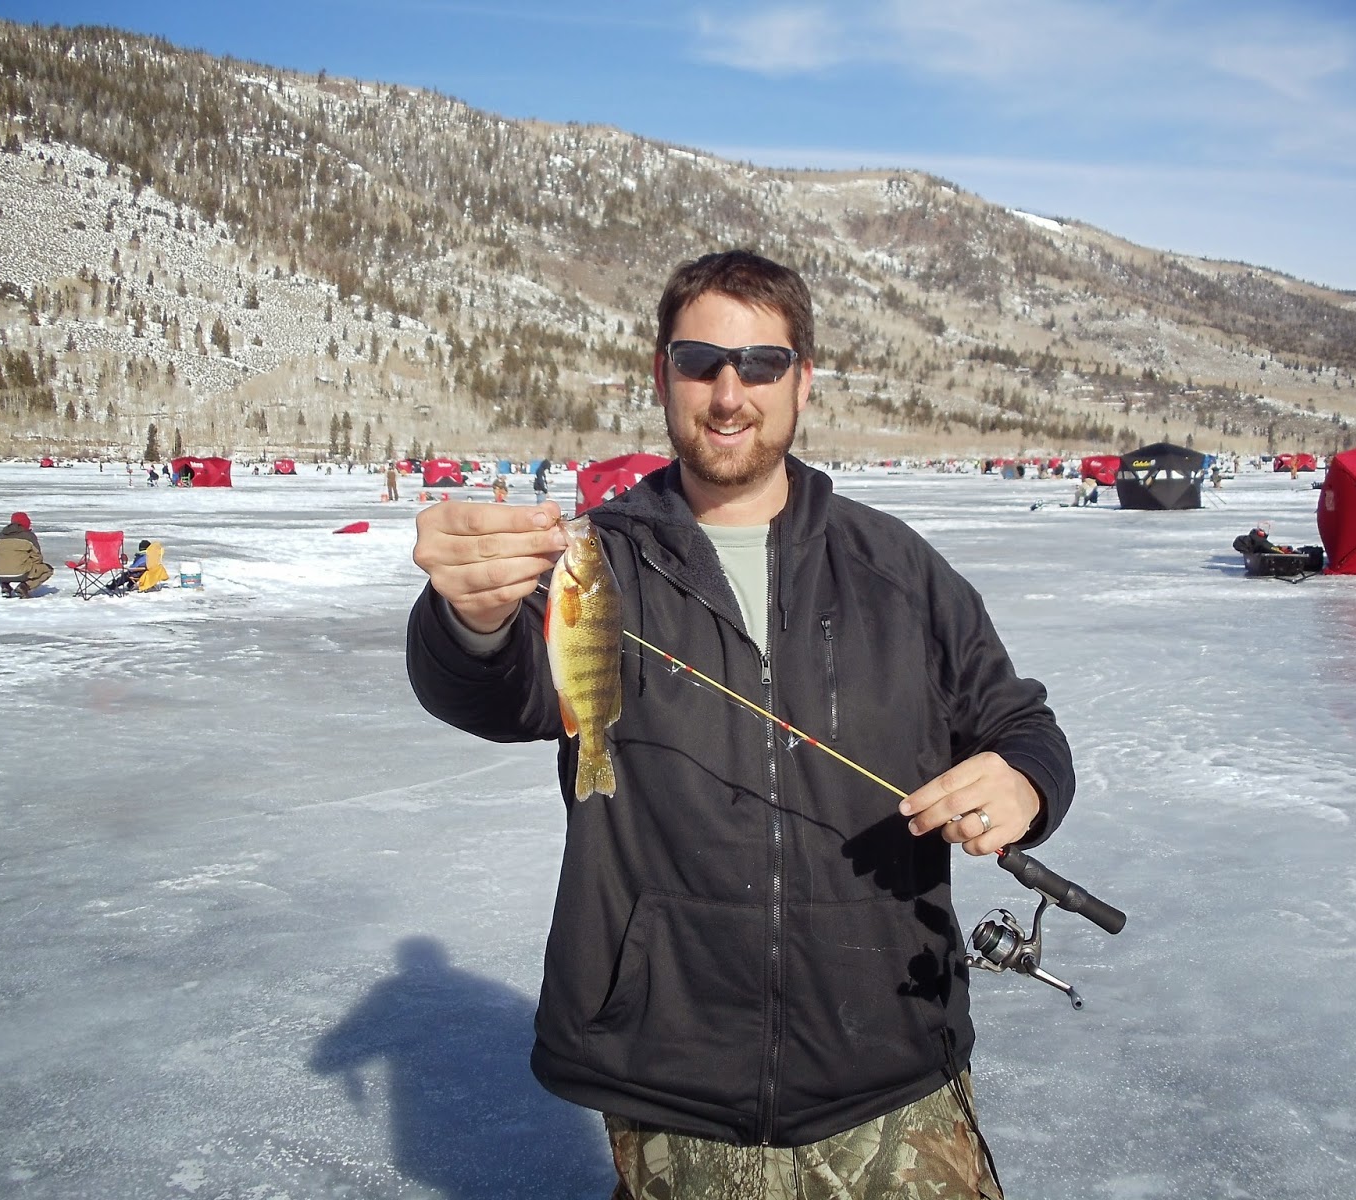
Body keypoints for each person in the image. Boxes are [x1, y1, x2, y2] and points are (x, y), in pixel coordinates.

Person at [405, 250, 1074, 1199]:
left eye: (762, 364)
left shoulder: (899, 570)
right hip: (675, 1079)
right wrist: (467, 617)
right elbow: (496, 689)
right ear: (661, 375)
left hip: (893, 1070)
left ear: (803, 380)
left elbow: (1020, 721)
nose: (730, 393)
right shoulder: (602, 561)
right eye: (700, 362)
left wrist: (1022, 781)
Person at [0, 511, 54, 597]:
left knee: (5, 563)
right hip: (21, 572)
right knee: (48, 569)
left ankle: (5, 587)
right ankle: (24, 587)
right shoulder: (28, 536)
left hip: (0, 574)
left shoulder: (0, 536)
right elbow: (37, 557)